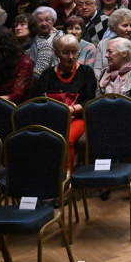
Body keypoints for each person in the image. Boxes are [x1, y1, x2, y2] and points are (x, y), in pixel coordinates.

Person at [31, 33, 97, 165]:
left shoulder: (86, 73)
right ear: (56, 53)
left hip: (77, 117)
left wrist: (71, 109)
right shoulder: (47, 74)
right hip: (51, 117)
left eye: (74, 52)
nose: (71, 57)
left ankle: (66, 179)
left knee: (65, 139)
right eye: (66, 53)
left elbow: (90, 101)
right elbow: (38, 100)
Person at [96, 37, 131, 120]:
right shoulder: (103, 73)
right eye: (106, 51)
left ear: (124, 53)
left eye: (110, 52)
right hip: (106, 120)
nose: (106, 55)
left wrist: (117, 111)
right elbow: (96, 103)